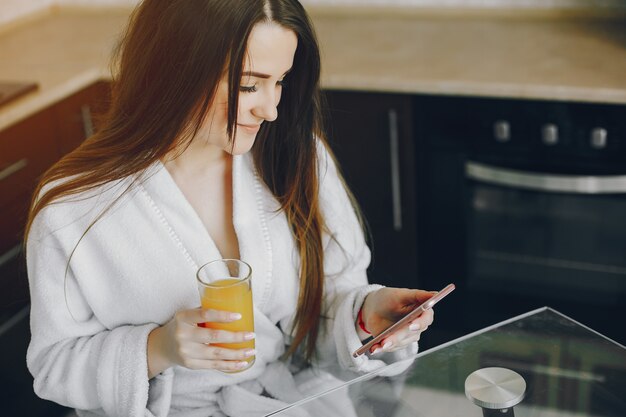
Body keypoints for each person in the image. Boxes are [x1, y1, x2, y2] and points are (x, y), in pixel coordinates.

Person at [24, 1, 436, 416]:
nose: (271, 109)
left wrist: (365, 315)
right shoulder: (75, 208)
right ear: (175, 69)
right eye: (248, 86)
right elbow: (54, 364)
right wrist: (157, 347)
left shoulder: (296, 155)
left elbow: (331, 297)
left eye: (281, 81)